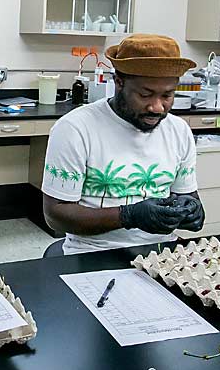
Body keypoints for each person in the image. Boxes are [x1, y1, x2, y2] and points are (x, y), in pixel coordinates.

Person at [41, 33, 205, 254]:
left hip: (162, 253)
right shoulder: (75, 128)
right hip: (93, 252)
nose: (157, 107)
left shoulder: (178, 130)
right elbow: (55, 216)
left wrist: (192, 209)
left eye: (167, 96)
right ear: (119, 82)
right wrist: (128, 216)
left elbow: (187, 195)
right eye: (145, 95)